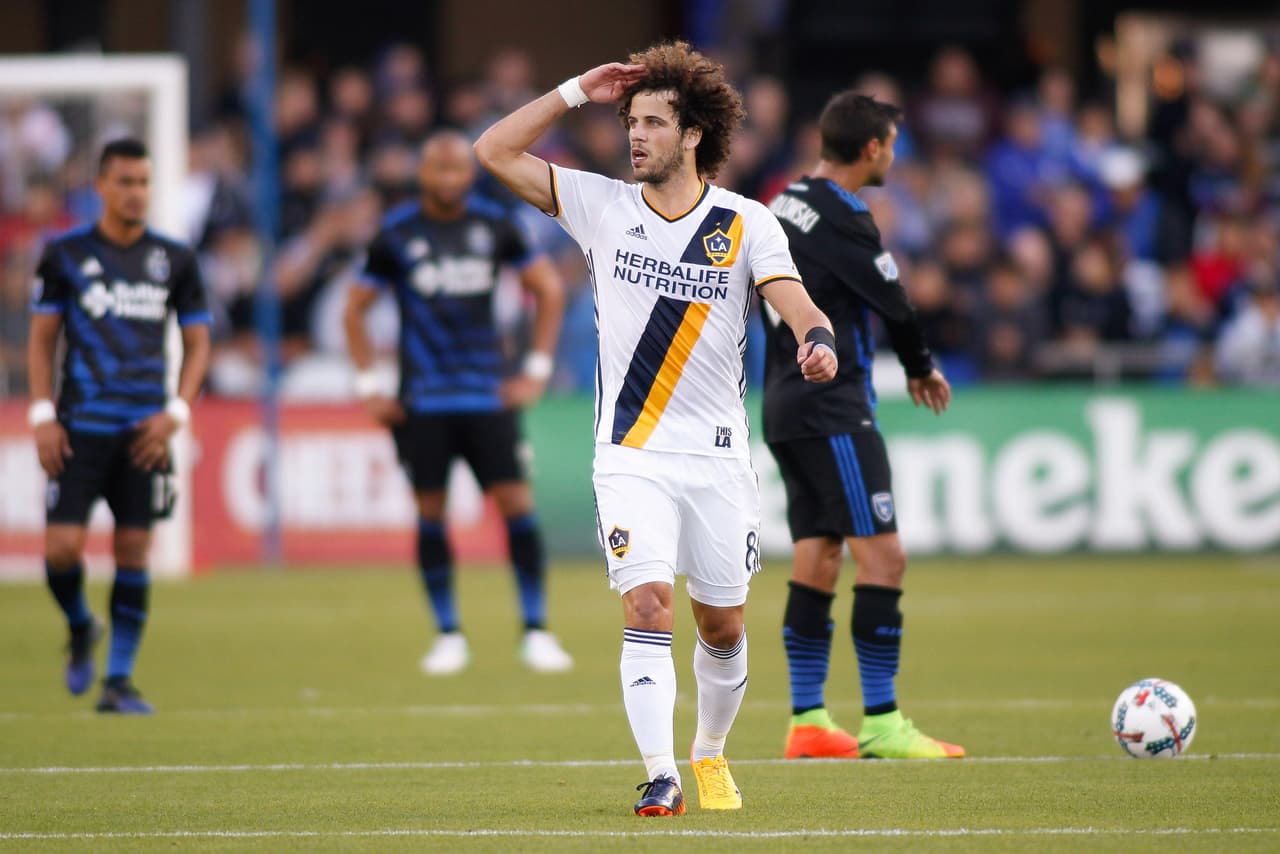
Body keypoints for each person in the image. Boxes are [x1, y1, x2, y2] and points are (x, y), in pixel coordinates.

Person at [474, 41, 837, 816]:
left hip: (716, 459)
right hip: (631, 454)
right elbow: (493, 150)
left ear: (694, 133)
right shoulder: (600, 207)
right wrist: (575, 89)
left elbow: (794, 299)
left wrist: (817, 338)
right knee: (646, 607)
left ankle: (709, 752)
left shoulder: (747, 223)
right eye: (629, 121)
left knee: (723, 624)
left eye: (652, 123)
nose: (634, 136)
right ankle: (661, 773)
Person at [763, 92, 965, 760]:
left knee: (819, 555)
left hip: (783, 403)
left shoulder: (785, 198)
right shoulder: (843, 217)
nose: (896, 153)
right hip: (833, 405)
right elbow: (898, 304)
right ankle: (881, 720)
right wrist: (921, 366)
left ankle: (808, 721)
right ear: (873, 148)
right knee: (884, 555)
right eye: (893, 143)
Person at [343, 129, 573, 675]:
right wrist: (368, 386)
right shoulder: (396, 233)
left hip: (485, 394)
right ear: (421, 174)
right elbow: (353, 308)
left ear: (470, 174)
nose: (449, 178)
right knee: (429, 510)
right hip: (422, 401)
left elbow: (549, 290)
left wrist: (536, 370)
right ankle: (448, 633)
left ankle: (536, 629)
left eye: (457, 169)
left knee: (516, 503)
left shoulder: (495, 224)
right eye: (438, 169)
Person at [27, 137, 212, 714]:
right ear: (101, 186)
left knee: (134, 547)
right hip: (80, 426)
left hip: (145, 431)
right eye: (125, 182)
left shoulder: (174, 259)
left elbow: (199, 341)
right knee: (62, 549)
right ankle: (82, 625)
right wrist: (42, 415)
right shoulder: (64, 254)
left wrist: (176, 413)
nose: (136, 193)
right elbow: (41, 340)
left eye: (144, 182)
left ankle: (119, 681)